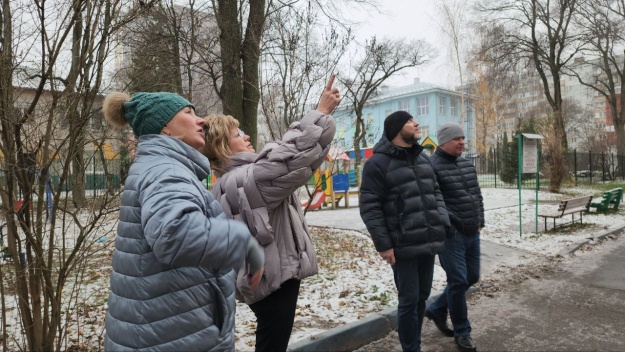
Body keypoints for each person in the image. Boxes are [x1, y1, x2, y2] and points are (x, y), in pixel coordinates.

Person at [102, 91, 265, 351]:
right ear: (164, 127)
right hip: (168, 333)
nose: (201, 121)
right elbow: (174, 233)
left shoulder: (158, 166)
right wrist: (243, 242)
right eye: (189, 113)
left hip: (165, 327)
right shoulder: (166, 170)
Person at [199, 76, 339, 351]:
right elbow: (291, 159)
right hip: (272, 282)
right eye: (238, 135)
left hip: (268, 278)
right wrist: (320, 113)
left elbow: (297, 162)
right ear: (223, 147)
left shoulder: (232, 180)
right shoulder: (242, 179)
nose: (247, 136)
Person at [359, 111, 451, 352]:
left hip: (428, 241)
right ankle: (411, 348)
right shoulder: (376, 164)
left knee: (421, 297)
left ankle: (415, 343)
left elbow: (436, 191)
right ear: (397, 129)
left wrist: (441, 219)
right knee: (409, 300)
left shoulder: (424, 160)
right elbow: (370, 207)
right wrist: (384, 244)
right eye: (410, 121)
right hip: (402, 245)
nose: (416, 123)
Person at [424, 122, 483, 352]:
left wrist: (480, 221)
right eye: (457, 138)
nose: (462, 142)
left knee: (472, 276)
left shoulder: (467, 165)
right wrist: (451, 224)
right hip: (451, 235)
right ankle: (462, 332)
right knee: (458, 281)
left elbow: (477, 195)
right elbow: (432, 201)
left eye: (462, 138)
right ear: (443, 141)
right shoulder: (431, 167)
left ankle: (437, 308)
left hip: (472, 232)